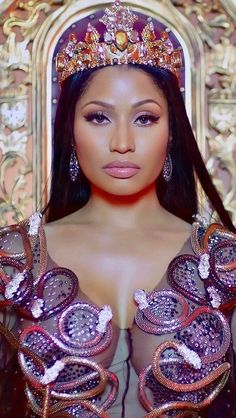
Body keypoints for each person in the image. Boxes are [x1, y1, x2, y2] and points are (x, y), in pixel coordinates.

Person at [0, 1, 235, 417]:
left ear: (171, 132)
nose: (122, 142)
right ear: (70, 132)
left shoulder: (223, 262)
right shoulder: (14, 260)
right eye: (98, 118)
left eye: (144, 118)